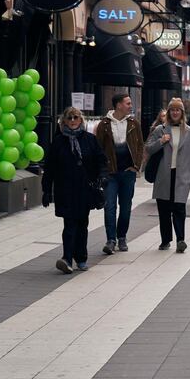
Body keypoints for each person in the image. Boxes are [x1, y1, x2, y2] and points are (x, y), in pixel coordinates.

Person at [42, 107, 108, 274]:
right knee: (69, 224)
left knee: (82, 224)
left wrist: (102, 176)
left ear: (81, 120)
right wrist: (46, 190)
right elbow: (49, 167)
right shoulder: (58, 142)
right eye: (69, 118)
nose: (72, 120)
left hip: (84, 189)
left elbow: (101, 160)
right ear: (64, 121)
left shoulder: (90, 139)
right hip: (65, 190)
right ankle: (67, 258)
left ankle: (82, 258)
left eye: (76, 117)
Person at [146, 98, 190, 252]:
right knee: (163, 209)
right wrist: (161, 141)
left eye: (178, 110)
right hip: (164, 175)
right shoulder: (160, 129)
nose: (175, 112)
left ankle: (180, 240)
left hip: (181, 176)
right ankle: (165, 240)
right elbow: (148, 148)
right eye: (172, 110)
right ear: (169, 112)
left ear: (182, 113)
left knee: (179, 208)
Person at [95, 93, 144, 255]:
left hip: (127, 173)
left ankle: (121, 237)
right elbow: (98, 149)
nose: (131, 105)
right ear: (118, 105)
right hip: (111, 174)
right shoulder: (104, 125)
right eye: (128, 103)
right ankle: (111, 240)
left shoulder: (133, 123)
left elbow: (140, 146)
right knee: (109, 207)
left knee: (126, 208)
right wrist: (102, 171)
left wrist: (136, 166)